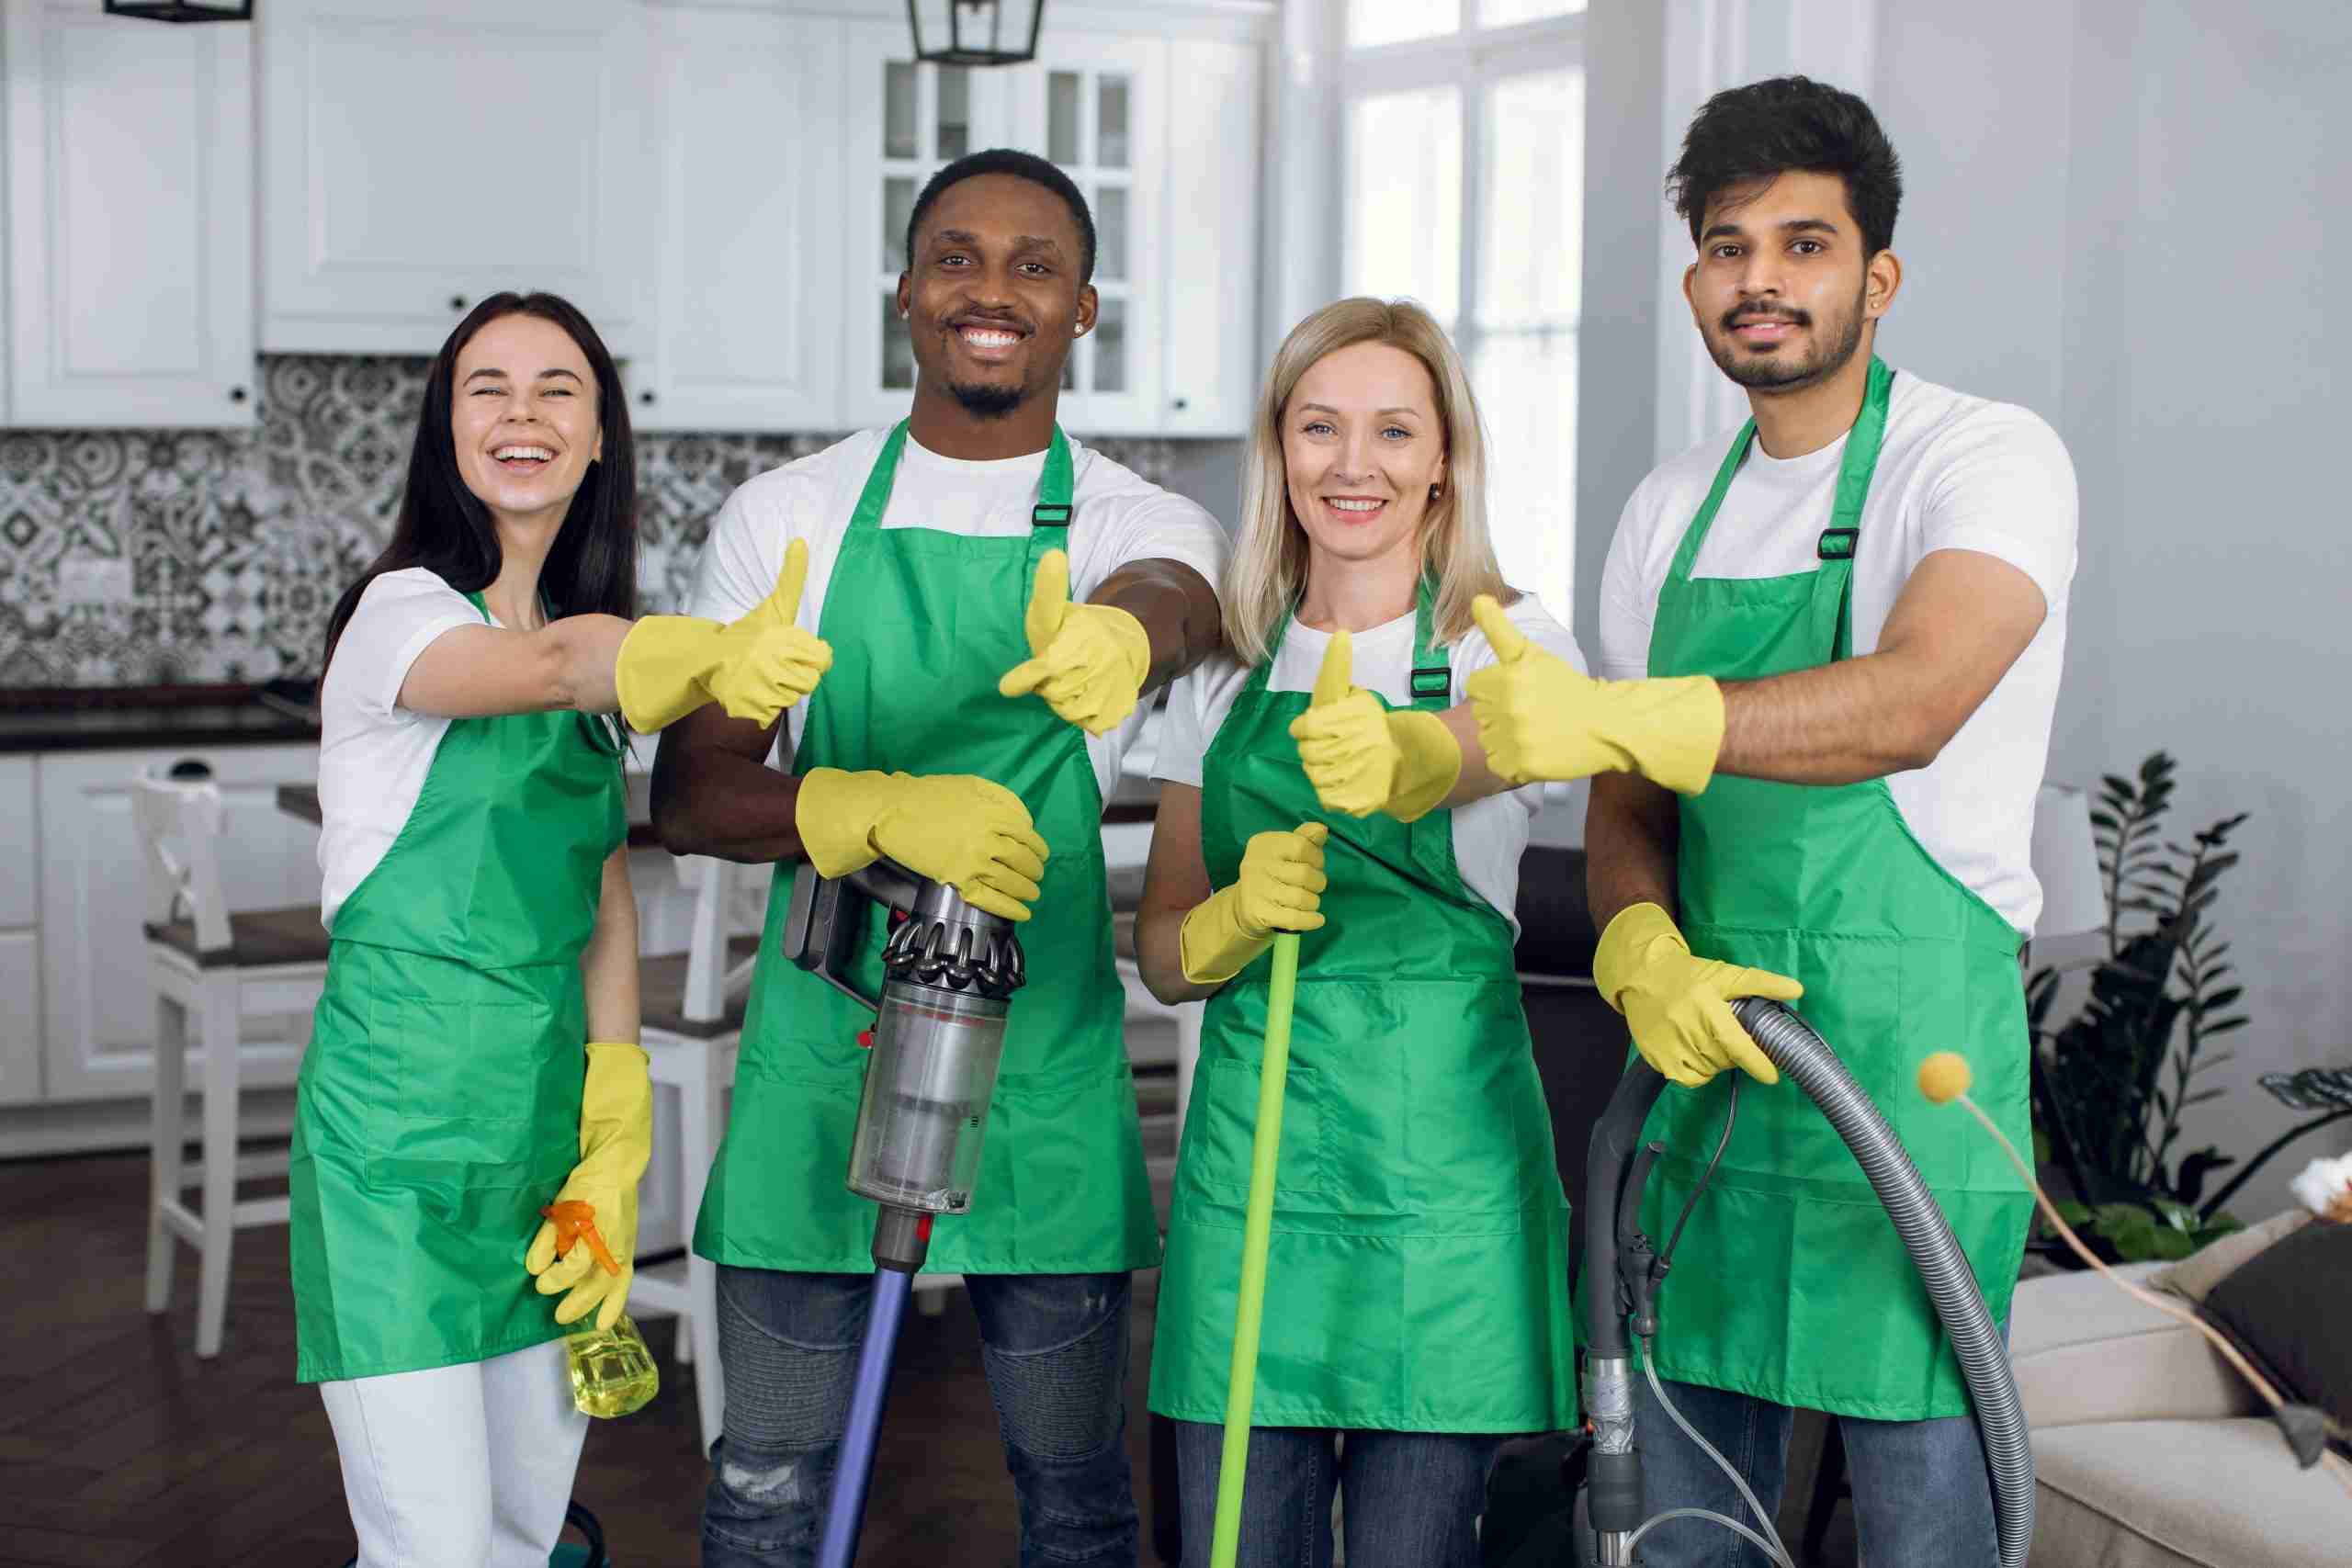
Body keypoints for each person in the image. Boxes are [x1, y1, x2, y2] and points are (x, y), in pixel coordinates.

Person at [1463, 77, 2078, 1566]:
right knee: (1682, 1531)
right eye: (1729, 247)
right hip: (1712, 1083)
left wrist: (1642, 712)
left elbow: (1914, 699)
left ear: (1879, 276)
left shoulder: (1984, 460)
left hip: (1909, 1094)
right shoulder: (1672, 507)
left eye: (1805, 246)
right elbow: (1629, 810)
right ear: (1694, 281)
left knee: (1931, 1528)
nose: (1762, 280)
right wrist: (1637, 948)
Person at [650, 148, 1228, 1567]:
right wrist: (854, 808)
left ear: (1083, 309)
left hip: (1037, 1068)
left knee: (1078, 1500)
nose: (993, 291)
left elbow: (1185, 595)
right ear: (905, 291)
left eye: (1036, 266)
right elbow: (692, 789)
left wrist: (1122, 633)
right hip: (818, 1061)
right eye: (957, 258)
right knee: (765, 1485)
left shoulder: (1126, 522)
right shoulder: (791, 518)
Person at [291, 291, 830, 1568]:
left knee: (527, 1535)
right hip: (394, 1155)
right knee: (428, 1546)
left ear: (599, 440)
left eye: (557, 389)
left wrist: (616, 1115)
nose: (522, 413)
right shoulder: (403, 617)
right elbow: (545, 669)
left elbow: (599, 892)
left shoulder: (595, 681)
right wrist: (694, 659)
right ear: (447, 431)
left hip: (539, 1150)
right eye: (489, 387)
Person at [1135, 297, 1581, 1566]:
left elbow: (1509, 744)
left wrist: (1408, 751)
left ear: (1445, 456)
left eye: (1395, 430)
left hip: (1442, 1190)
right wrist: (1229, 917)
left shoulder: (1503, 643)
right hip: (1251, 1189)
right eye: (1320, 427)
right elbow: (1162, 951)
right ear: (1281, 449)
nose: (1354, 463)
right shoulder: (1224, 673)